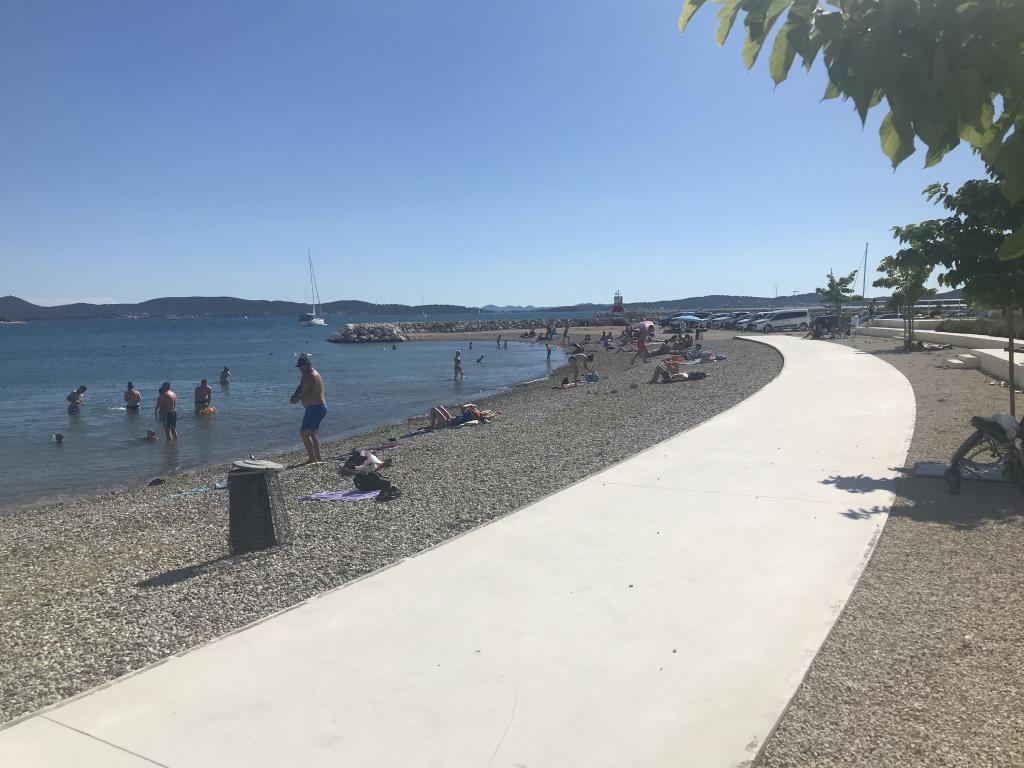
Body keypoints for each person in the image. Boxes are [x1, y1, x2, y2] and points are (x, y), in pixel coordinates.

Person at [290, 355, 326, 464]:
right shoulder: (305, 375)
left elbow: (311, 393)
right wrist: (294, 395)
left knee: (304, 433)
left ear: (308, 365)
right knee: (311, 433)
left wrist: (297, 399)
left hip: (317, 408)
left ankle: (312, 459)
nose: (300, 369)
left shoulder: (312, 375)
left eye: (302, 366)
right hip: (312, 408)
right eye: (299, 367)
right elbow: (301, 386)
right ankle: (317, 458)